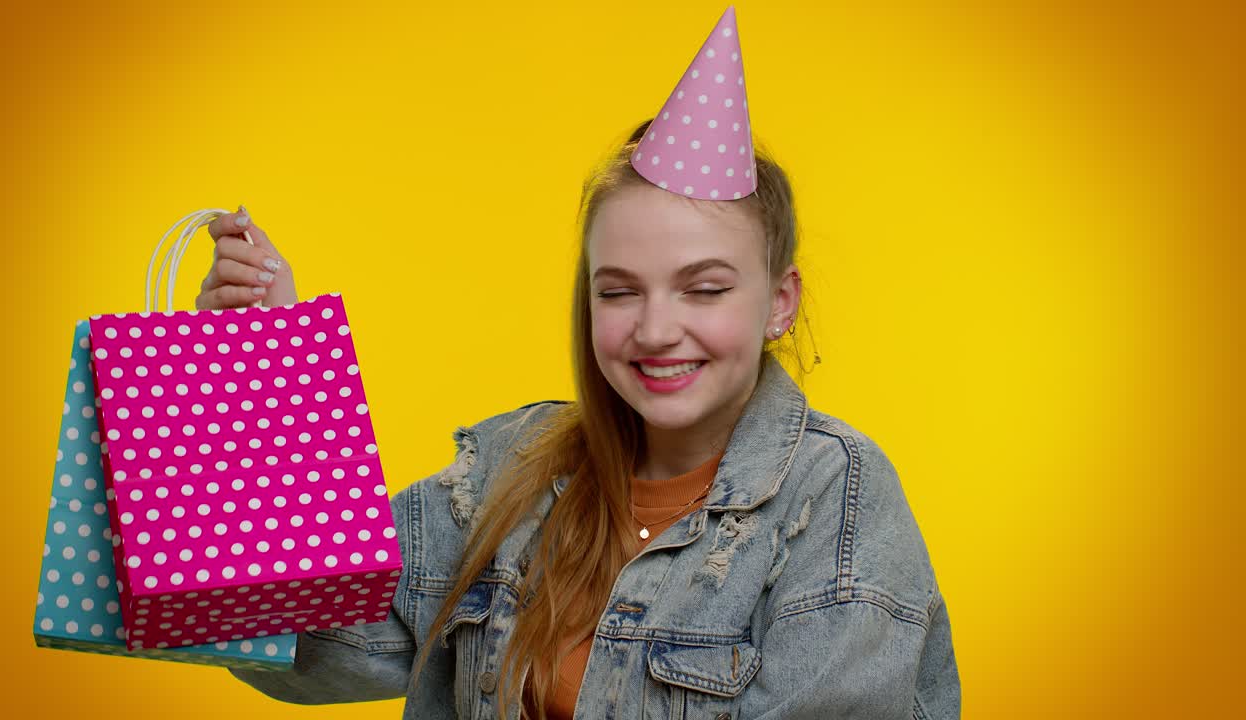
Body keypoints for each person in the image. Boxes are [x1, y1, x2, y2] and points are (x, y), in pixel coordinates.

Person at [202, 8, 960, 719]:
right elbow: (304, 640)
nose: (657, 329)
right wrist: (265, 368)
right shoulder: (512, 469)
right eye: (620, 290)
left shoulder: (835, 501)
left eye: (705, 289)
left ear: (779, 302)